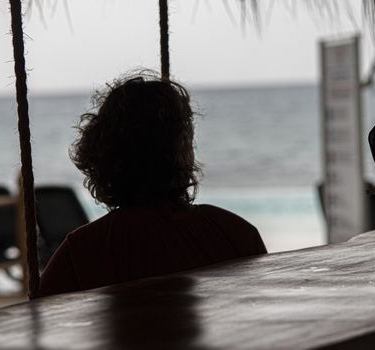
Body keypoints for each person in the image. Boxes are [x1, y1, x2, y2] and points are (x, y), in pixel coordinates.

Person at [38, 71, 267, 297]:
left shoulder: (83, 251)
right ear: (182, 149)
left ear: (101, 153)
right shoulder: (233, 233)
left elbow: (40, 323)